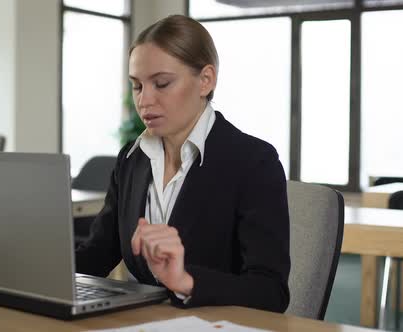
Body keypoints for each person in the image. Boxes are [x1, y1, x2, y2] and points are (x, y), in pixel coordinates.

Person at [75, 14, 290, 313]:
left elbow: (270, 291)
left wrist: (186, 280)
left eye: (161, 84)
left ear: (206, 80)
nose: (144, 101)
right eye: (137, 86)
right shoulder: (131, 159)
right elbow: (97, 254)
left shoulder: (255, 163)